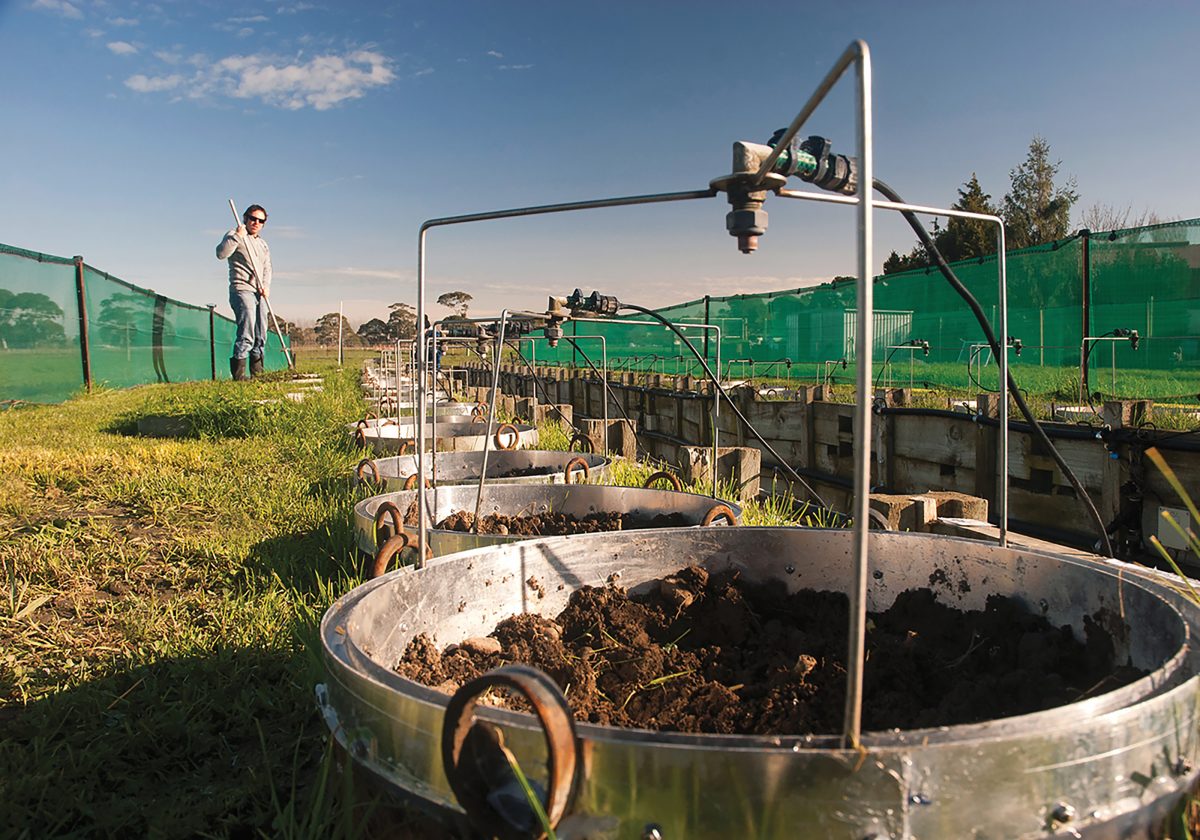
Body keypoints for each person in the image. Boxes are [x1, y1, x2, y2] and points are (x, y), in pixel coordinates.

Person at [216, 204, 272, 380]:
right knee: (247, 331)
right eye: (253, 218)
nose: (256, 223)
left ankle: (258, 374)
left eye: (260, 221)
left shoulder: (262, 244)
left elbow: (267, 268)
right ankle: (239, 376)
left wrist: (266, 286)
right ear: (245, 218)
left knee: (261, 332)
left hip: (260, 292)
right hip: (242, 290)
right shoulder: (234, 234)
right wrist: (237, 237)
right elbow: (221, 253)